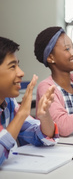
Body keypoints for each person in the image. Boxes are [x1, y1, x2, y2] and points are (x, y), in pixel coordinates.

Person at [0, 37, 59, 166]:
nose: (21, 73)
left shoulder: (9, 102)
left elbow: (41, 137)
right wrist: (22, 114)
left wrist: (45, 116)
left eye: (18, 65)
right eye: (12, 66)